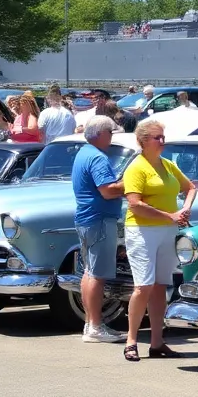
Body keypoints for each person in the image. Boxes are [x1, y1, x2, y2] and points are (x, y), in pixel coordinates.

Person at [122, 119, 195, 361]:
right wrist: (170, 215)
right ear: (143, 141)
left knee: (160, 286)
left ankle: (156, 342)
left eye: (163, 137)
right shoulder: (136, 167)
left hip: (166, 231)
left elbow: (191, 188)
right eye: (157, 138)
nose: (162, 141)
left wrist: (184, 209)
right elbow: (135, 204)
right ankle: (131, 340)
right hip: (142, 231)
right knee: (143, 286)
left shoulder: (167, 165)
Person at [70, 116, 126, 343]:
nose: (112, 138)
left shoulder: (83, 153)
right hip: (100, 219)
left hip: (87, 219)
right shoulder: (97, 157)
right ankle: (95, 326)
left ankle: (90, 324)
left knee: (89, 272)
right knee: (97, 274)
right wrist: (131, 182)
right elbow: (108, 191)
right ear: (102, 134)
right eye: (110, 133)